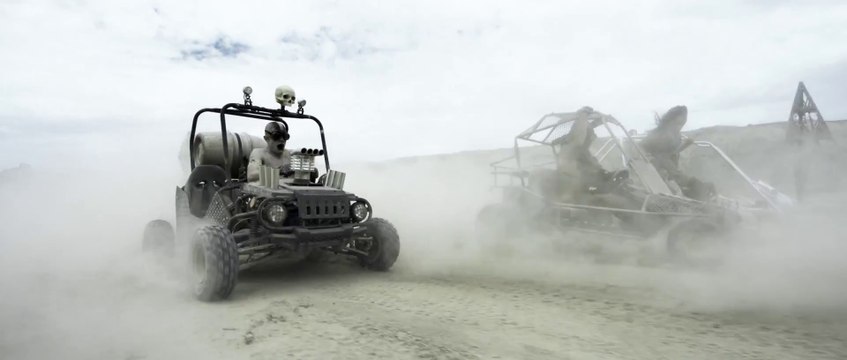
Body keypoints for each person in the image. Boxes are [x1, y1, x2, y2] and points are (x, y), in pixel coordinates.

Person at [640, 105, 715, 201]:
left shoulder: (674, 135)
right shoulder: (661, 136)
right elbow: (663, 158)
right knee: (698, 187)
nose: (679, 127)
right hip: (659, 175)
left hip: (670, 174)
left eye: (682, 124)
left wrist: (685, 145)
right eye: (678, 124)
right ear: (671, 121)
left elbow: (671, 154)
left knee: (700, 187)